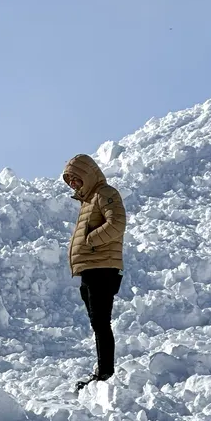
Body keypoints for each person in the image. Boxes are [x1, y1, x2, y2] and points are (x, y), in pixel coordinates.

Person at [63, 153, 127, 390]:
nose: (73, 183)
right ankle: (103, 370)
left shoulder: (105, 193)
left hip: (103, 268)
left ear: (87, 174)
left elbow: (117, 223)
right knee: (97, 323)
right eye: (69, 180)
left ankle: (105, 373)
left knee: (101, 323)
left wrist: (90, 241)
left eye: (75, 178)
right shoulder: (88, 201)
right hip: (91, 269)